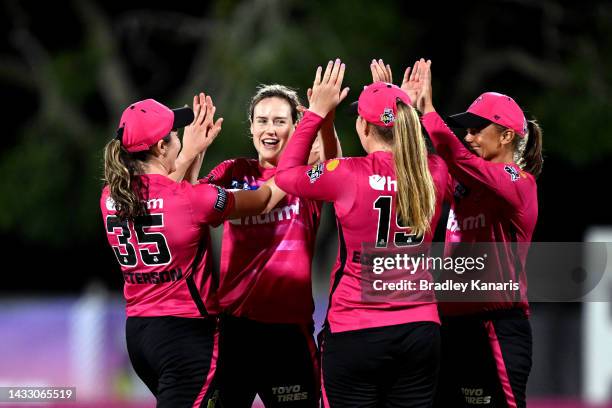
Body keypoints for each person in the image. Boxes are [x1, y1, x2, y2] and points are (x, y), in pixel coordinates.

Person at [276, 59, 449, 408]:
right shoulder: (436, 171)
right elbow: (431, 151)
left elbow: (286, 174)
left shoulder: (348, 174)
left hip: (356, 329)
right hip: (419, 329)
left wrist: (316, 112)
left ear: (364, 128)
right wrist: (409, 106)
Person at [100, 93, 275, 407]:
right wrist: (299, 164)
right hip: (186, 335)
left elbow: (165, 194)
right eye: (176, 135)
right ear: (161, 147)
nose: (182, 138)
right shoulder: (192, 199)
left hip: (140, 334)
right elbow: (263, 199)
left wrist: (193, 152)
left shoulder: (110, 196)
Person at [184, 84, 339, 408]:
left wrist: (325, 118)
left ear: (296, 127)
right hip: (234, 332)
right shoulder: (233, 171)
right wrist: (192, 152)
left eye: (280, 121)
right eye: (262, 120)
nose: (270, 129)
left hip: (289, 335)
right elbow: (185, 203)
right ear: (251, 127)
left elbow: (334, 162)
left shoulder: (306, 177)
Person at [411, 59, 543, 408]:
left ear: (506, 135)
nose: (468, 136)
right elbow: (414, 166)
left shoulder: (519, 184)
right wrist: (402, 115)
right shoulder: (462, 182)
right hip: (452, 325)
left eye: (476, 129)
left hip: (496, 326)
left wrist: (429, 112)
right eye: (465, 130)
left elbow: (455, 155)